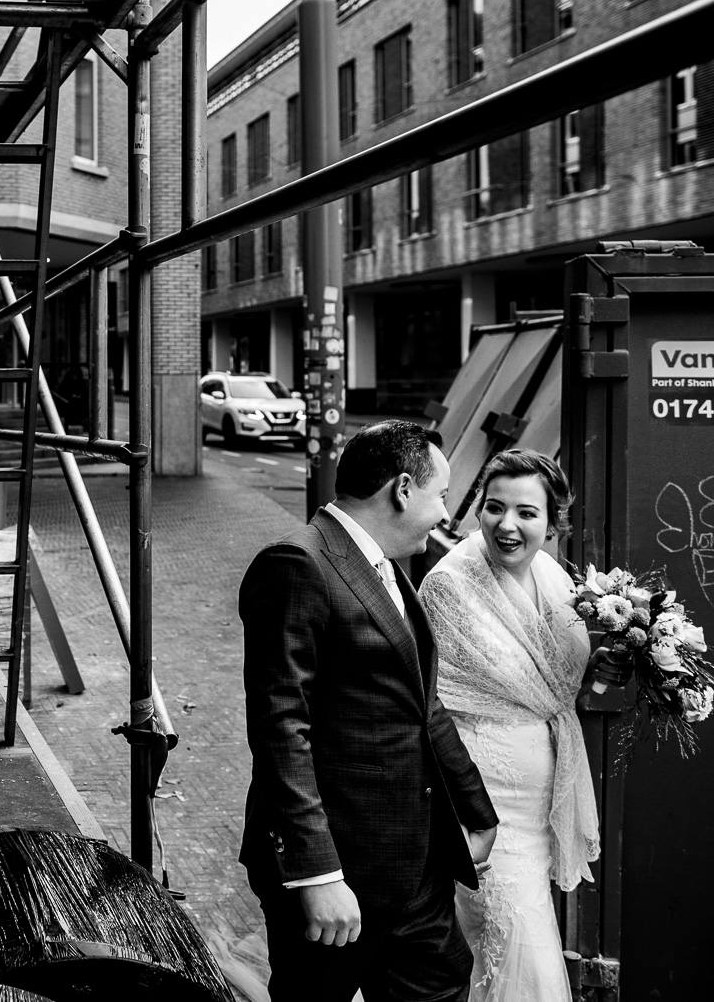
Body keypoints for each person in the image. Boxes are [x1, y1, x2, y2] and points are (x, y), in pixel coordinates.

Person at [239, 420, 500, 1002]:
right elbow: (282, 727)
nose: (445, 515)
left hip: (416, 868)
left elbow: (419, 704)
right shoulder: (297, 565)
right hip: (340, 876)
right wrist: (317, 875)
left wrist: (476, 814)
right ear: (403, 489)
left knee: (444, 981)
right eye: (442, 496)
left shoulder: (388, 564)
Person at [416, 450, 613, 1002]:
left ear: (554, 524)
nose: (507, 524)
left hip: (537, 809)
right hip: (484, 806)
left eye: (526, 513)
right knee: (516, 942)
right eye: (494, 507)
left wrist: (598, 668)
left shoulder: (553, 576)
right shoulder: (449, 586)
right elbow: (438, 701)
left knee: (503, 946)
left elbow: (552, 684)